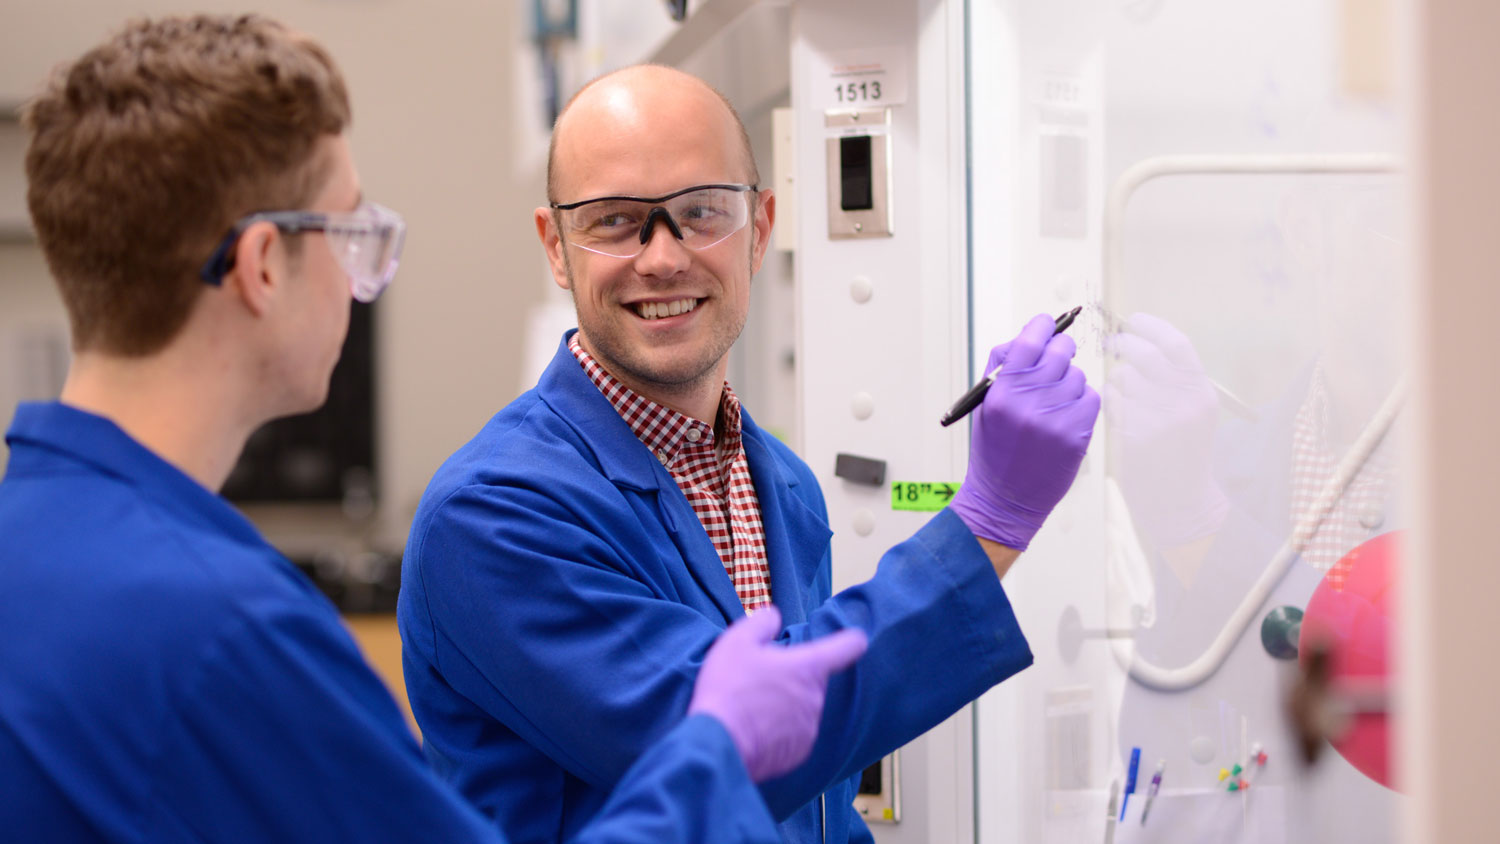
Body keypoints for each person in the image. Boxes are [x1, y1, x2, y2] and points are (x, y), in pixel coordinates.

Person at [0, 16, 870, 843]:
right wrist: (719, 744)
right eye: (350, 232)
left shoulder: (31, 548)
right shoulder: (227, 630)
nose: (359, 279)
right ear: (264, 266)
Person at [399, 63, 1101, 844]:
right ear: (556, 246)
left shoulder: (784, 486)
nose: (662, 258)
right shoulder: (493, 516)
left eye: (700, 212)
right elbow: (741, 748)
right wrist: (987, 523)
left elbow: (816, 811)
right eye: (615, 220)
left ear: (761, 229)